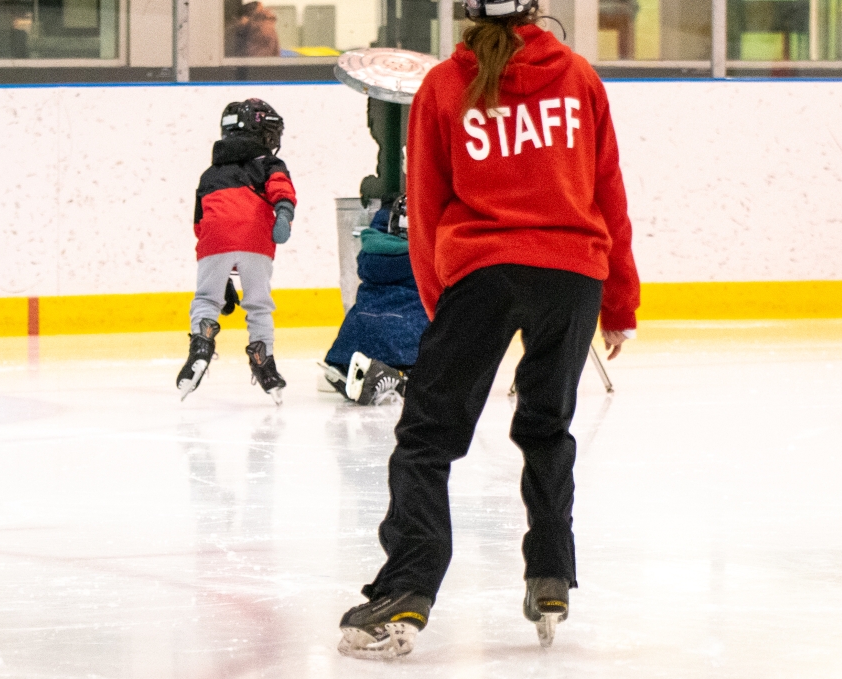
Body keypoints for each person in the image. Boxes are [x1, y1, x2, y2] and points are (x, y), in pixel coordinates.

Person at [336, 0, 640, 659]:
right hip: (573, 274)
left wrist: (441, 300)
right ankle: (551, 572)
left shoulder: (445, 86)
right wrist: (619, 301)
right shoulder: (580, 78)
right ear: (536, 10)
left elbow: (425, 207)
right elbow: (608, 191)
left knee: (427, 435)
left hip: (484, 272)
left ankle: (407, 588)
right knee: (546, 426)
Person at [176, 98, 295, 404]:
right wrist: (283, 213)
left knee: (206, 298)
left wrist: (223, 277)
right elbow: (280, 187)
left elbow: (201, 223)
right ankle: (263, 362)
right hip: (256, 239)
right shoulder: (268, 164)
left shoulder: (209, 174)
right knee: (258, 304)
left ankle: (201, 344)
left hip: (215, 241)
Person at [320, 195, 427, 406]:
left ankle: (342, 366)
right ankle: (394, 377)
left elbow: (381, 220)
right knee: (428, 364)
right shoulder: (423, 261)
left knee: (364, 321)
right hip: (402, 332)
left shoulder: (372, 253)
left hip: (359, 329)